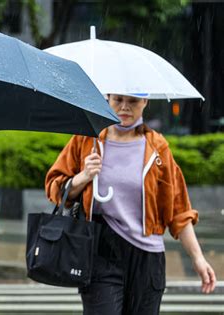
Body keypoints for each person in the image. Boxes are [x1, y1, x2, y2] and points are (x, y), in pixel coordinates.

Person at [45, 94, 216, 315]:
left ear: (145, 102)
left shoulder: (157, 148)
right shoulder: (88, 140)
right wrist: (83, 176)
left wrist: (198, 258)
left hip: (147, 257)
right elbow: (55, 187)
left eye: (134, 101)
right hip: (100, 251)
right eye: (118, 99)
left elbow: (178, 210)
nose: (125, 107)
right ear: (107, 99)